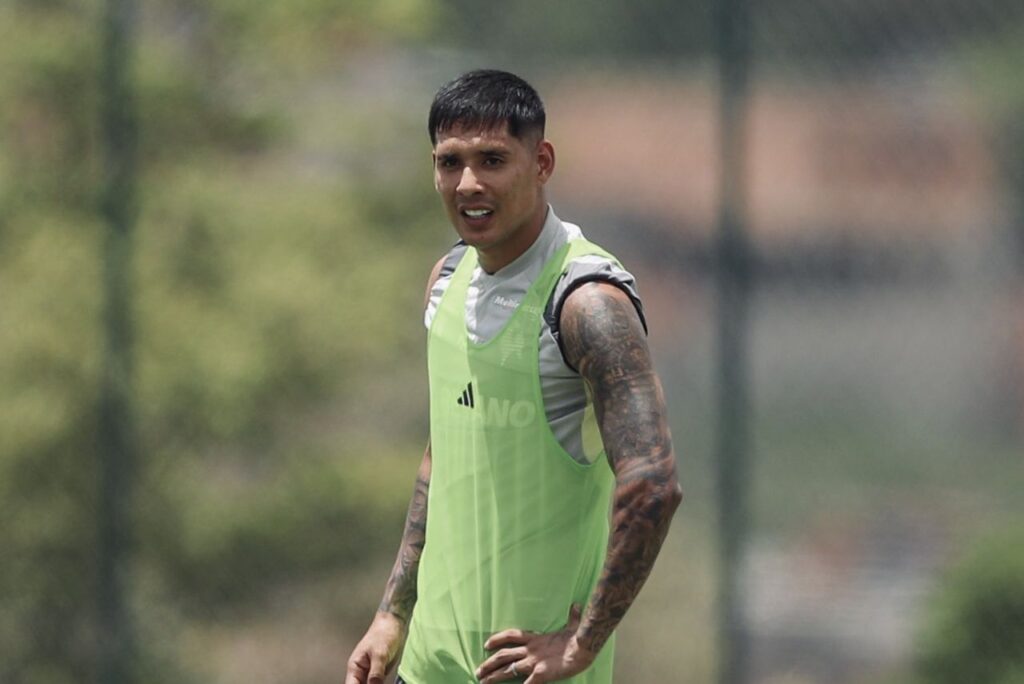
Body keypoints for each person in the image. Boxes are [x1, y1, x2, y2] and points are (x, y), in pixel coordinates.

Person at [345, 69, 682, 684]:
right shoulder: (446, 280)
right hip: (429, 664)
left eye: (493, 159)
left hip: (529, 672)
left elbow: (653, 483)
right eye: (450, 162)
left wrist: (581, 643)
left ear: (542, 161)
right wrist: (392, 615)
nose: (468, 183)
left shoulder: (586, 301)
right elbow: (441, 456)